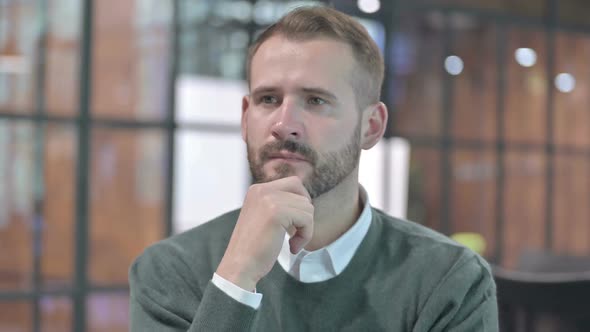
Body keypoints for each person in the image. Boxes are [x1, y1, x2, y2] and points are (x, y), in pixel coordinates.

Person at [129, 5, 498, 331]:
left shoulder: (449, 281)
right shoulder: (169, 272)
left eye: (316, 100)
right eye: (268, 99)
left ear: (371, 126)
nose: (284, 123)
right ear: (245, 118)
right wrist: (235, 280)